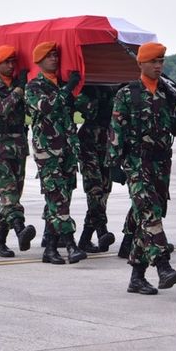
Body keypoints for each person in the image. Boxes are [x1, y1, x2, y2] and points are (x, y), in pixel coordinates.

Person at [107, 42, 176, 295]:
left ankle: (136, 277)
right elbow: (116, 129)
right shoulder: (128, 94)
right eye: (153, 61)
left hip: (161, 163)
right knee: (149, 212)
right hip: (136, 163)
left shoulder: (168, 93)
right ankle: (163, 266)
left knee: (149, 218)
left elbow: (175, 127)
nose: (157, 66)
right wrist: (113, 164)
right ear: (140, 64)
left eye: (161, 61)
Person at [25, 42, 86, 265]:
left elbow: (80, 107)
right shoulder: (34, 87)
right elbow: (46, 107)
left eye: (56, 55)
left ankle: (50, 249)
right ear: (39, 61)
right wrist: (68, 88)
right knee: (57, 197)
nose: (54, 59)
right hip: (47, 151)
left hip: (67, 149)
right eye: (49, 56)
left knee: (61, 198)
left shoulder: (63, 85)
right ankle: (70, 245)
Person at [0, 45, 37, 257]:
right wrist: (18, 91)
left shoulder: (20, 86)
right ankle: (21, 230)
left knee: (11, 195)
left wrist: (27, 90)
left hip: (19, 145)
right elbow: (2, 108)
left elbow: (32, 111)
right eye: (7, 63)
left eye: (13, 62)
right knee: (9, 194)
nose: (11, 66)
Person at [74, 84, 117, 252]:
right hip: (89, 144)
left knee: (105, 191)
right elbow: (85, 109)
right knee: (95, 191)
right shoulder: (88, 90)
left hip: (106, 143)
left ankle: (85, 239)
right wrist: (96, 95)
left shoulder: (120, 91)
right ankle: (101, 231)